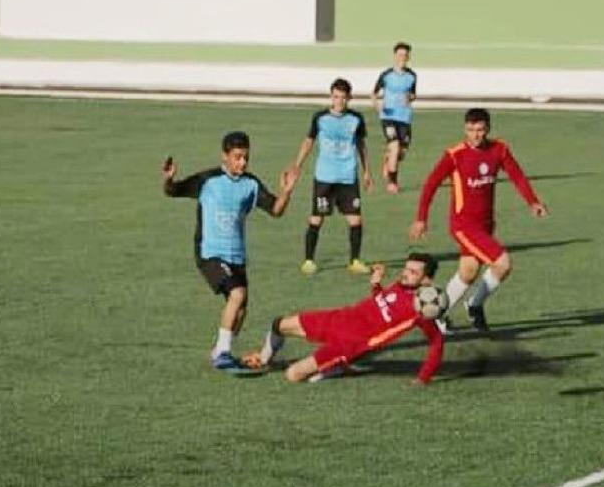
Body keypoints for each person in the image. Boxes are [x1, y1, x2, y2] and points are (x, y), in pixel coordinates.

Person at [162, 131, 296, 373]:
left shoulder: (251, 184)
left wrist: (286, 191)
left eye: (246, 157)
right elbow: (173, 191)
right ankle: (224, 352)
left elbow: (276, 210)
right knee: (237, 293)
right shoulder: (207, 180)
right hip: (210, 253)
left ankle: (218, 352)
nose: (242, 163)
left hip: (237, 257)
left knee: (241, 309)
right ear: (224, 156)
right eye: (237, 157)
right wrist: (169, 180)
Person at [409, 108, 547, 333]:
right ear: (465, 129)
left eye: (480, 129)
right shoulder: (454, 154)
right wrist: (421, 218)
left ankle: (438, 316)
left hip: (485, 224)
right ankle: (475, 304)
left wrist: (533, 202)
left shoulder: (499, 149)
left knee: (468, 271)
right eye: (471, 129)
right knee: (503, 263)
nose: (475, 134)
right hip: (464, 225)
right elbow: (430, 184)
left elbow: (516, 175)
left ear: (488, 129)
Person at [243, 253, 444, 385]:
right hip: (342, 318)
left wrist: (423, 378)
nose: (405, 274)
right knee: (279, 324)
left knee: (292, 375)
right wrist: (376, 285)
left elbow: (437, 342)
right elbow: (383, 306)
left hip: (351, 343)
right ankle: (263, 359)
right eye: (406, 269)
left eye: (413, 272)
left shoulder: (421, 309)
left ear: (426, 280)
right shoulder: (402, 285)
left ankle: (339, 367)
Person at [288, 78, 373, 275]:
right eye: (336, 97)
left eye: (343, 97)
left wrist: (367, 170)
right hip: (325, 177)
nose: (339, 101)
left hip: (348, 178)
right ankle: (309, 260)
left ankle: (355, 261)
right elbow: (308, 142)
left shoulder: (356, 119)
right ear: (331, 96)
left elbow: (361, 145)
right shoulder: (320, 118)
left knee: (355, 221)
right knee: (317, 218)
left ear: (349, 98)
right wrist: (297, 165)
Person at [372, 41, 417, 195]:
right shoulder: (386, 75)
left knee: (401, 153)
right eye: (400, 54)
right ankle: (392, 182)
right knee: (395, 146)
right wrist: (377, 105)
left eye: (405, 55)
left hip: (404, 117)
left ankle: (388, 160)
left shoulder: (412, 76)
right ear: (395, 56)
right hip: (388, 116)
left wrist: (410, 97)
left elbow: (413, 94)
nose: (402, 57)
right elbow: (374, 93)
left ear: (408, 57)